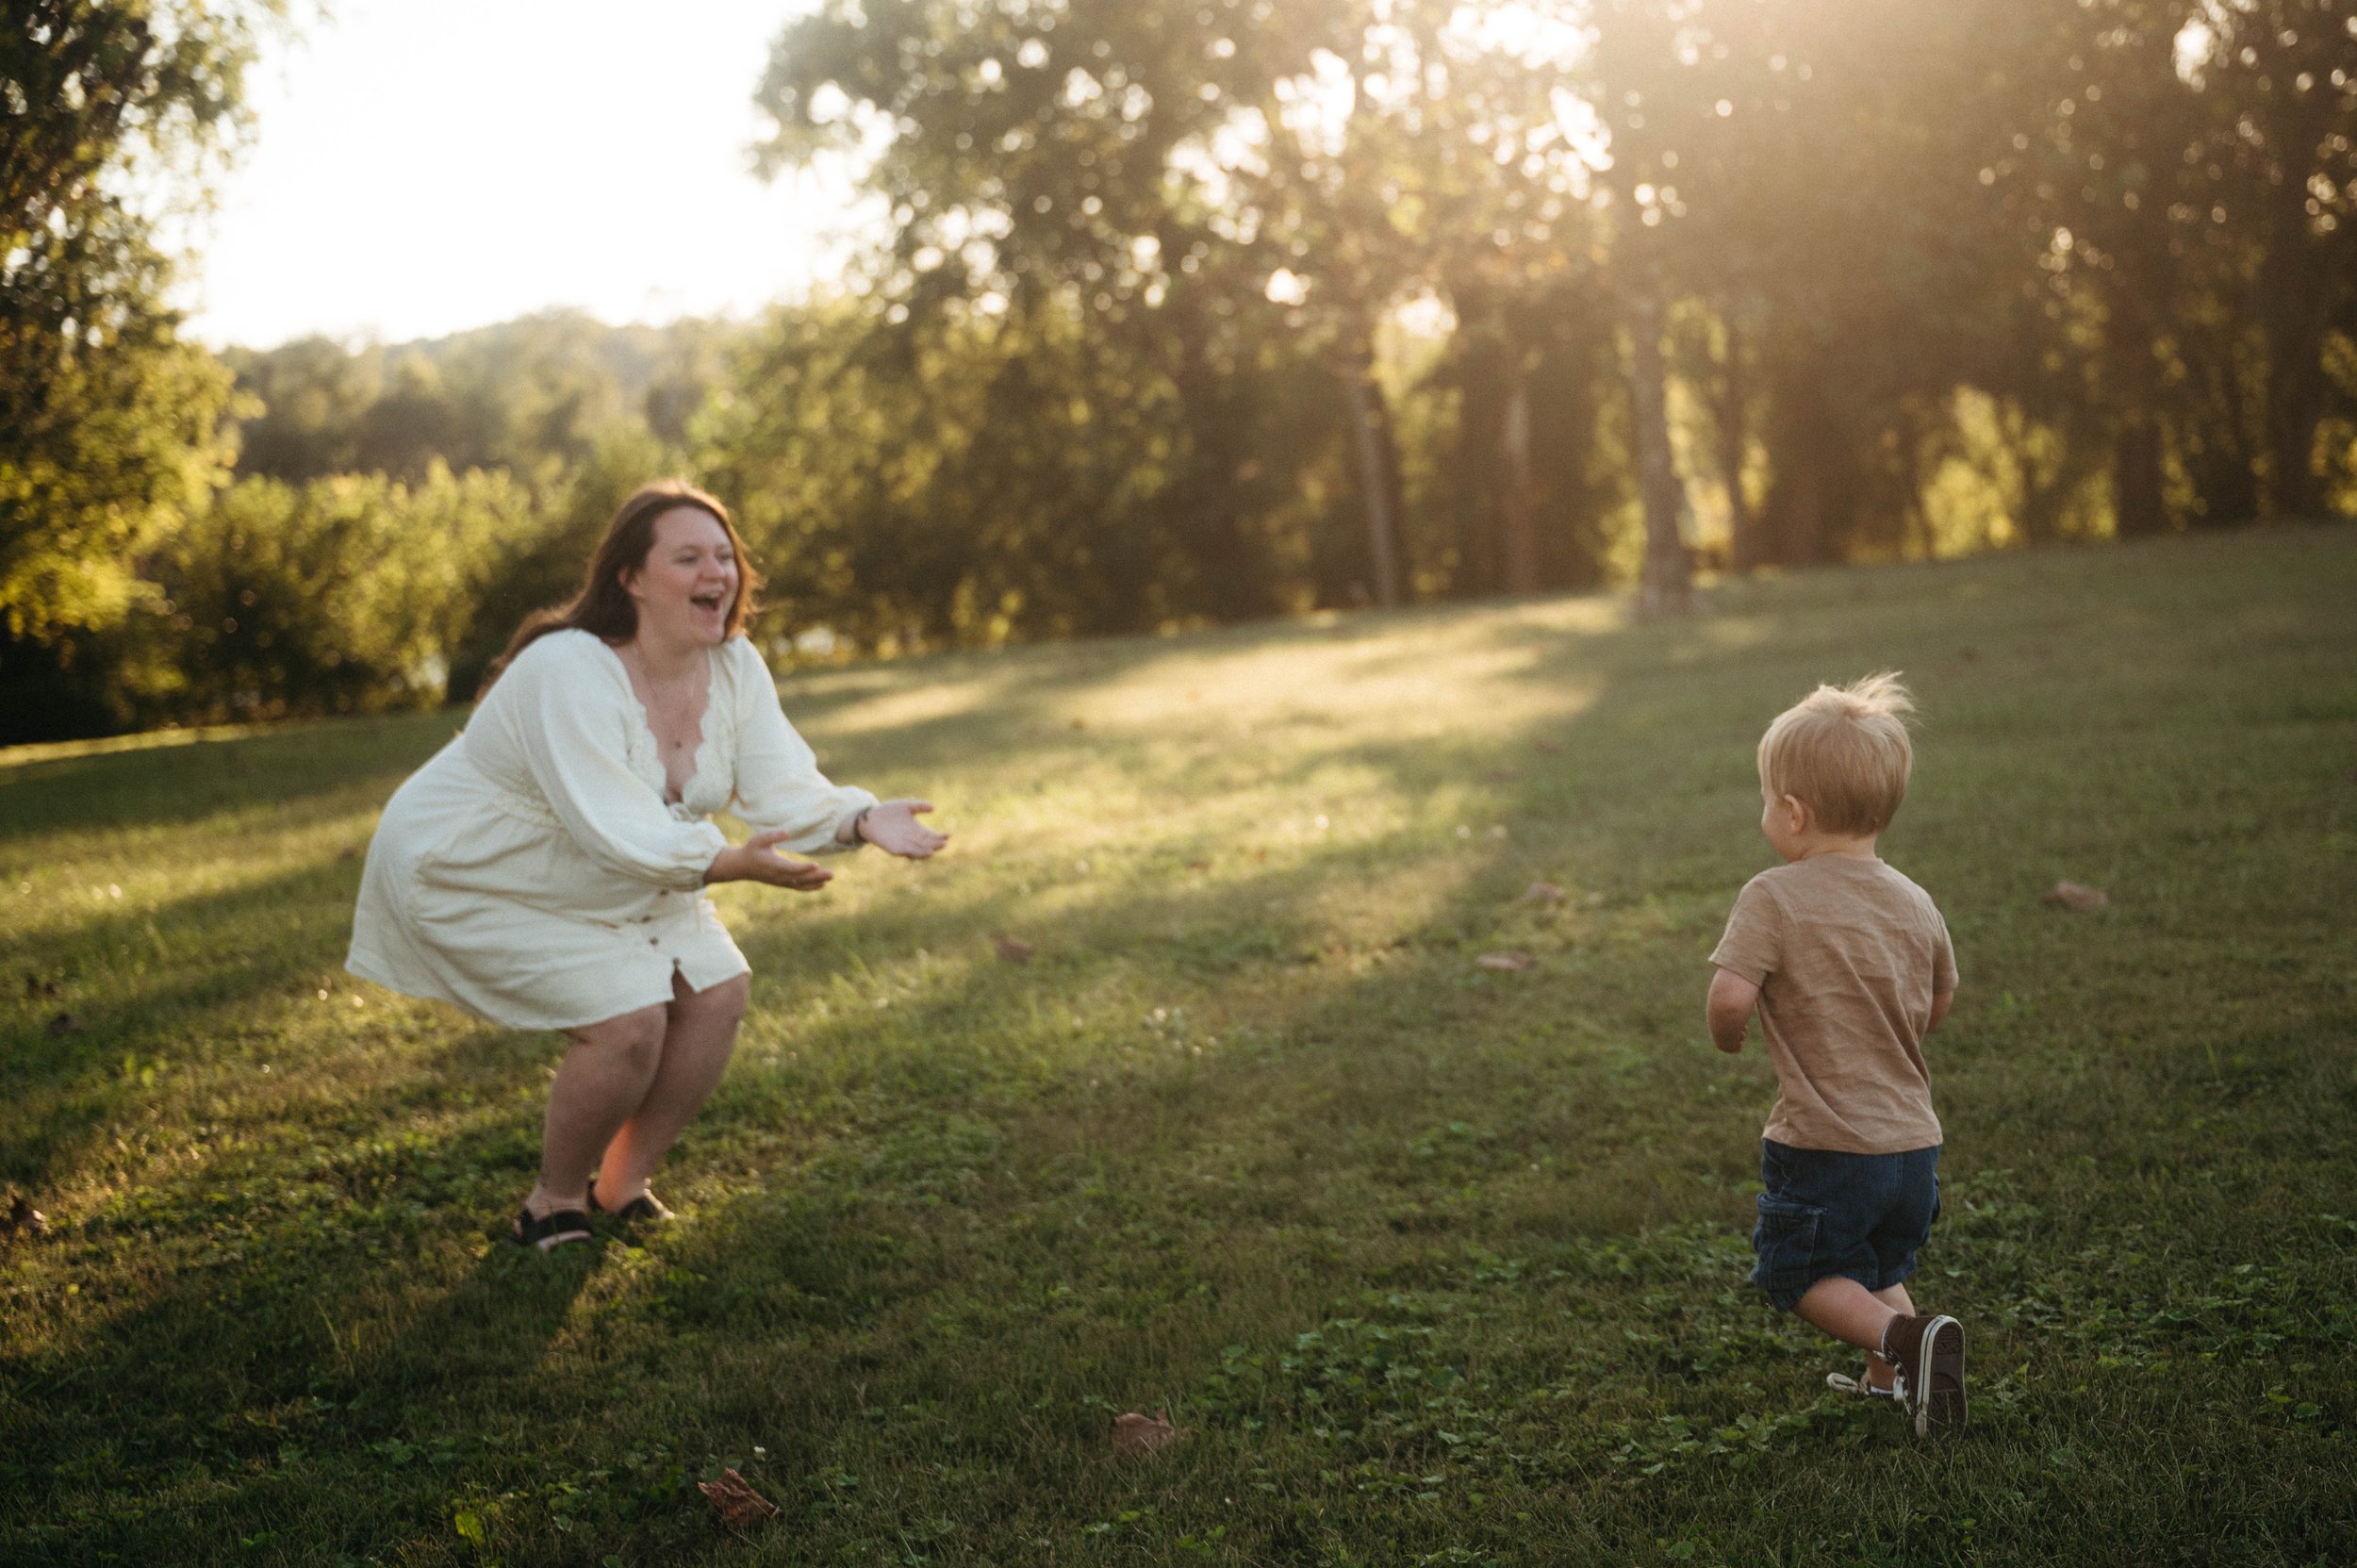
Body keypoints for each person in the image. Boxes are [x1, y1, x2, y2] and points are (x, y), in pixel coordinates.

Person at [347, 481, 947, 1250]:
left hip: (620, 860)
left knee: (718, 990)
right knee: (627, 1021)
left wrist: (857, 817)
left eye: (726, 556)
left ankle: (623, 1182)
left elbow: (777, 778)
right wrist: (726, 861)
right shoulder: (567, 668)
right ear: (630, 577)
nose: (717, 573)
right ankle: (551, 1202)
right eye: (689, 556)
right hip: (478, 865)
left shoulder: (731, 664)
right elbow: (608, 820)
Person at [1703, 673, 1965, 1436]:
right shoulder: (1916, 899)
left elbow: (1727, 997)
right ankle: (1898, 1382)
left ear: (1793, 812)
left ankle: (1901, 1339)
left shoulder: (1772, 896)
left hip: (1825, 1143)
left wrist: (1729, 1033)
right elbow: (1941, 995)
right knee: (1879, 1268)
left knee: (1802, 1270)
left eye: (1766, 799)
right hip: (1913, 1145)